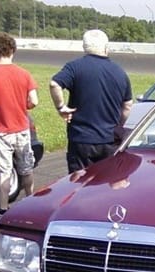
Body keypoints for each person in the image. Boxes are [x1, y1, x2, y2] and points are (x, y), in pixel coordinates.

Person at [50, 29, 133, 174]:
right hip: (109, 139)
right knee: (105, 184)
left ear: (84, 47)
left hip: (81, 140)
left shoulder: (74, 67)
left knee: (79, 185)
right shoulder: (120, 72)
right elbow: (127, 105)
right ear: (106, 48)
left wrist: (61, 107)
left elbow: (54, 84)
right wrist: (118, 125)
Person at [0, 32, 39, 223]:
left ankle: (3, 209)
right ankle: (30, 203)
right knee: (26, 168)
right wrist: (23, 105)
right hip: (22, 129)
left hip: (2, 131)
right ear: (13, 50)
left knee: (4, 171)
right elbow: (34, 101)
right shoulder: (24, 73)